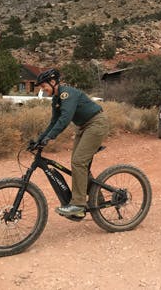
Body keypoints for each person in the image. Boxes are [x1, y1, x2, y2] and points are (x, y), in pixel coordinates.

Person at [32, 68, 109, 218]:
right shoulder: (56, 99)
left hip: (96, 124)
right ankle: (97, 199)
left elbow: (65, 118)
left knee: (78, 162)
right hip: (84, 127)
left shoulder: (67, 93)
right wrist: (40, 139)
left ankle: (78, 205)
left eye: (43, 86)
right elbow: (53, 122)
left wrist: (51, 137)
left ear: (53, 82)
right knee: (79, 165)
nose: (43, 89)